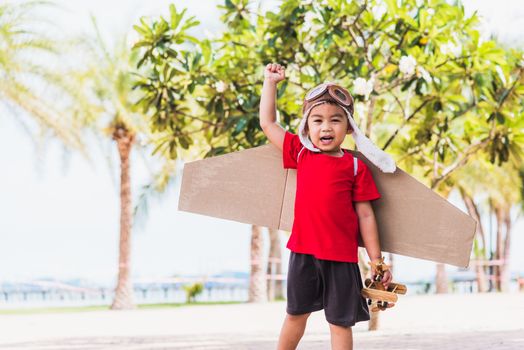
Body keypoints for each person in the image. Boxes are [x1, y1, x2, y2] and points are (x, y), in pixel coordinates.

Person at [259, 62, 396, 350]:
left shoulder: (356, 166)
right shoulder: (300, 153)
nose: (326, 126)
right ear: (307, 127)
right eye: (317, 120)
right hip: (304, 253)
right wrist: (270, 83)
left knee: (340, 322)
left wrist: (377, 261)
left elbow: (366, 215)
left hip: (343, 259)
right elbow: (268, 124)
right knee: (296, 315)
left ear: (348, 128)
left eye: (335, 120)